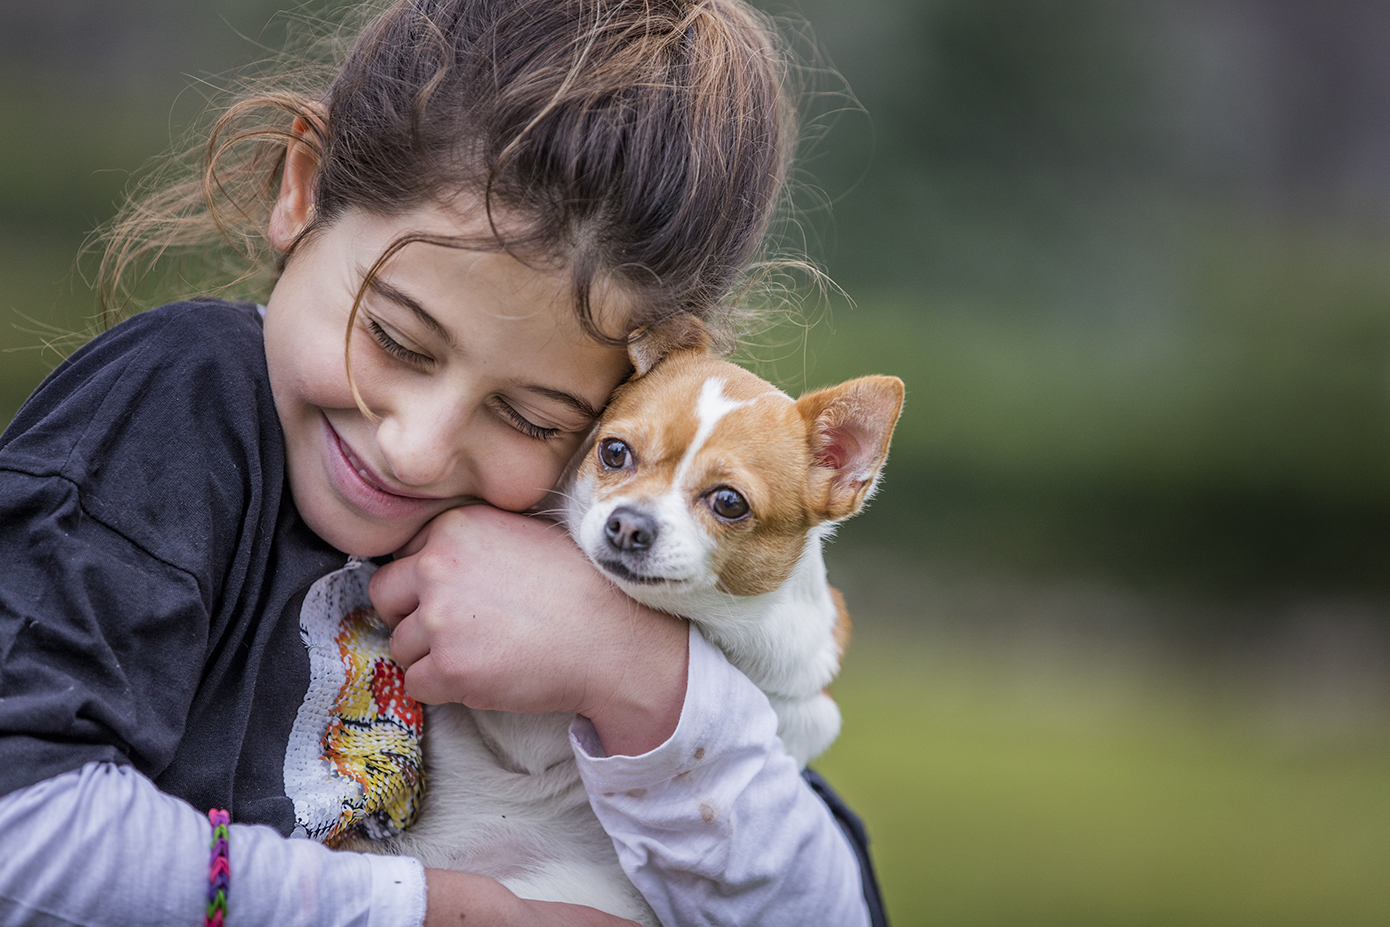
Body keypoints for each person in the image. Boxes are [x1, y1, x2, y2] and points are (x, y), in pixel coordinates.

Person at [0, 1, 887, 925]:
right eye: (395, 338)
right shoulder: (185, 404)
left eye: (528, 415)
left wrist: (637, 677)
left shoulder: (585, 542)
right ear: (304, 187)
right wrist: (438, 912)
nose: (415, 448)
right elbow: (18, 824)